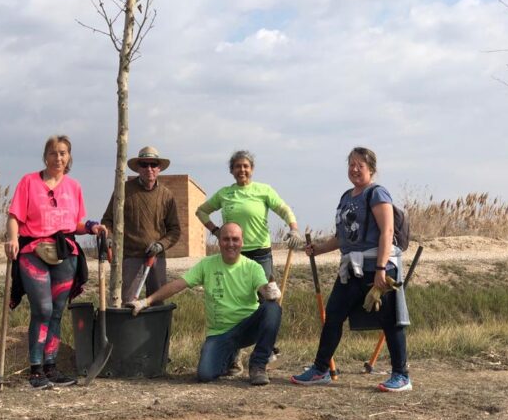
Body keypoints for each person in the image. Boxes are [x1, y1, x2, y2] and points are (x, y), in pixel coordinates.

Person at [290, 146, 412, 392]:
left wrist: (380, 269)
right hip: (351, 269)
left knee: (390, 321)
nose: (355, 169)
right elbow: (343, 237)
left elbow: (387, 231)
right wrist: (319, 249)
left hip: (378, 267)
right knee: (333, 316)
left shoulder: (378, 194)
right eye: (351, 164)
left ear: (371, 170)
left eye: (360, 165)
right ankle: (320, 369)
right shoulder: (347, 197)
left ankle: (401, 375)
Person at [5, 135, 106, 390]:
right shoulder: (28, 182)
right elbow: (14, 216)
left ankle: (51, 366)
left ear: (69, 157)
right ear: (45, 156)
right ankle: (36, 369)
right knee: (43, 309)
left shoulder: (74, 187)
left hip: (65, 252)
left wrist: (93, 226)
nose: (58, 158)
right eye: (53, 153)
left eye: (62, 153)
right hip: (33, 250)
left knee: (58, 312)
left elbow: (75, 224)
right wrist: (12, 238)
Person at [128, 222, 282, 386]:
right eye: (226, 239)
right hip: (220, 333)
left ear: (242, 242)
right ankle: (229, 357)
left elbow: (264, 290)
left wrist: (270, 291)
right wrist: (146, 301)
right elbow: (178, 284)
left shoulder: (253, 267)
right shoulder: (206, 264)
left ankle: (258, 364)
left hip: (248, 328)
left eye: (235, 239)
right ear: (219, 241)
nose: (231, 244)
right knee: (205, 374)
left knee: (273, 309)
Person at [195, 150, 304, 373]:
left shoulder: (263, 190)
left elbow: (283, 209)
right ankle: (233, 356)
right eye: (237, 166)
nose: (242, 170)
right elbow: (201, 211)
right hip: (235, 254)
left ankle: (265, 353)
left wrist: (293, 228)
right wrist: (216, 230)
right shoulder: (226, 194)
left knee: (267, 301)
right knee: (234, 302)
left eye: (246, 166)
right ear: (232, 170)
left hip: (261, 254)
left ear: (251, 169)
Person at [101, 146, 181, 303]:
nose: (149, 169)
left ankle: (156, 328)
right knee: (127, 302)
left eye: (153, 165)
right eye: (144, 164)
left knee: (157, 302)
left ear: (159, 168)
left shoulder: (167, 196)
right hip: (130, 257)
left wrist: (161, 245)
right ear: (138, 167)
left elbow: (175, 230)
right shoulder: (123, 190)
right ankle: (128, 328)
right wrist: (108, 237)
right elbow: (108, 220)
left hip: (156, 258)